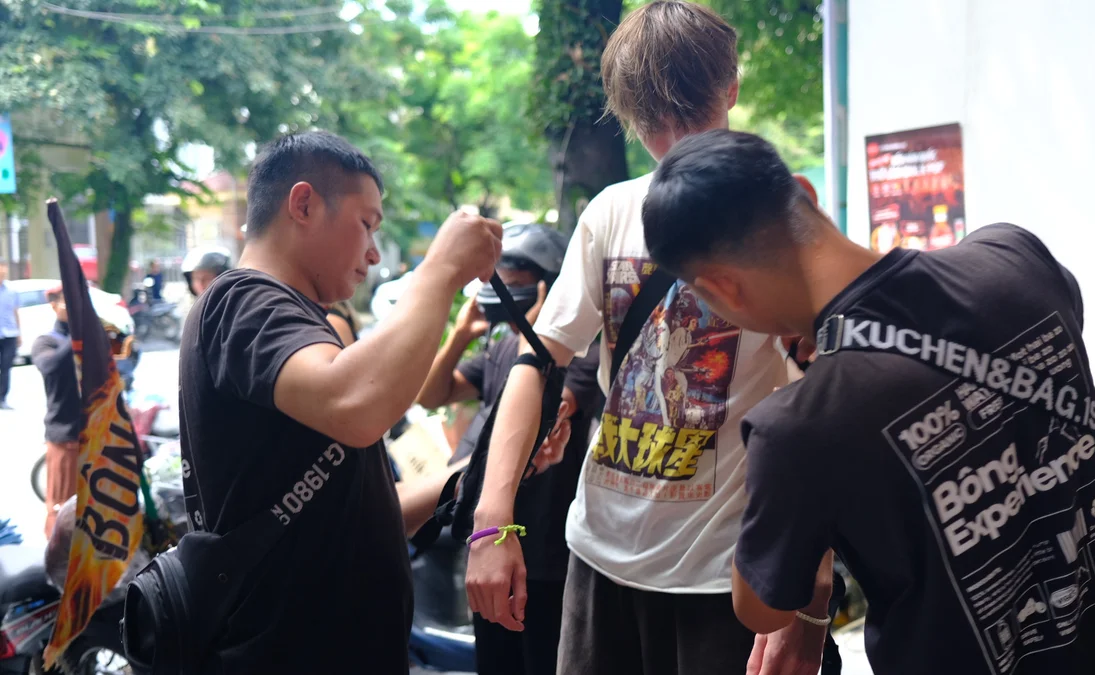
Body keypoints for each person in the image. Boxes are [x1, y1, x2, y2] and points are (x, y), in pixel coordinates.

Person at [639, 129, 1095, 674]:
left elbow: (760, 608)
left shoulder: (798, 429)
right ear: (805, 193)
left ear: (721, 289)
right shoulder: (1014, 256)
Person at [465, 4, 825, 674]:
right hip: (601, 557)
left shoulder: (782, 213)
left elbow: (825, 405)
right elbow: (539, 361)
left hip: (730, 574)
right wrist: (493, 520)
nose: (677, 138)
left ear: (731, 91)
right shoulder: (610, 212)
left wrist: (810, 594)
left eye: (689, 111)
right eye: (658, 120)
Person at [178, 130, 503, 673]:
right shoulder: (242, 299)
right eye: (367, 223)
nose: (374, 253)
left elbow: (367, 514)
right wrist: (441, 270)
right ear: (303, 203)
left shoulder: (296, 320)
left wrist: (482, 470)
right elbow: (355, 404)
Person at [416, 223, 603, 675]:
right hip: (487, 539)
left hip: (545, 551)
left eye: (518, 281)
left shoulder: (583, 357)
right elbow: (431, 394)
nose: (507, 287)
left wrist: (538, 336)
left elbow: (542, 410)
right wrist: (461, 333)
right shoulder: (501, 345)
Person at [31, 286, 83, 538]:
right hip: (66, 436)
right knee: (62, 510)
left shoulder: (90, 337)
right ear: (54, 305)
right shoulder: (46, 342)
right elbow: (50, 366)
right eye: (69, 301)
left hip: (96, 433)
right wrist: (78, 336)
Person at [0, 263, 19, 410]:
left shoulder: (11, 291)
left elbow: (15, 312)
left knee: (6, 368)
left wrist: (19, 332)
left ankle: (2, 398)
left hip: (10, 334)